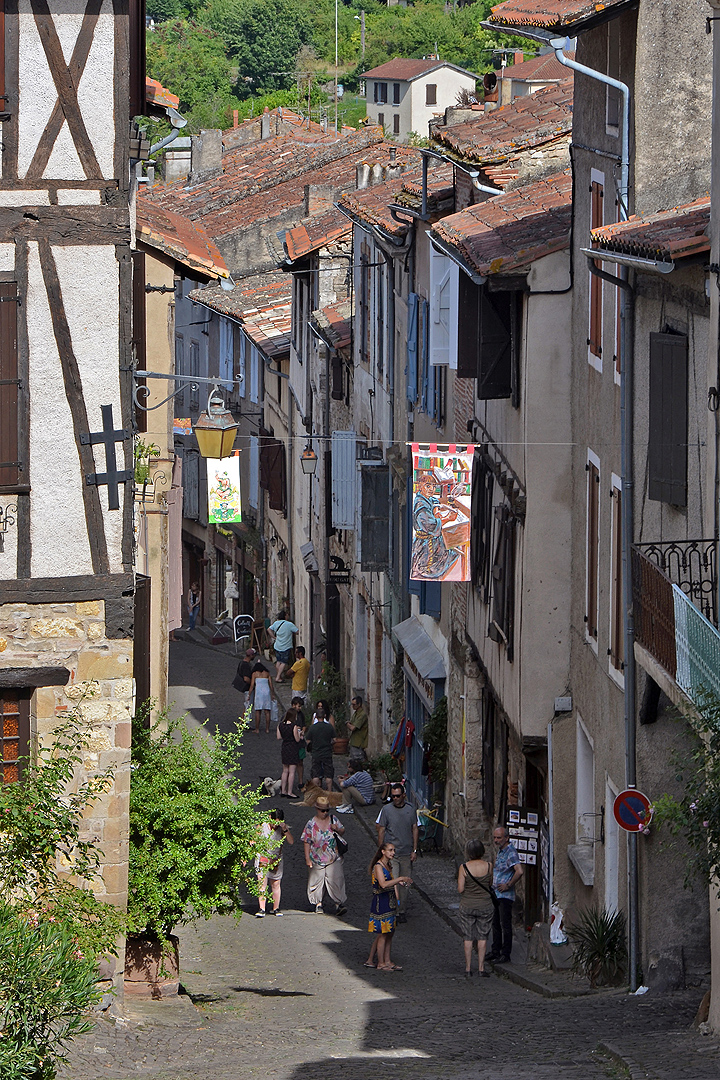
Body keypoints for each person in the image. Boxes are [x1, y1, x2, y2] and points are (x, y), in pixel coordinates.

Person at [376, 783, 419, 923]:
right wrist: (381, 852)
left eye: (397, 796)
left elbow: (415, 829)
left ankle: (402, 910)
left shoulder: (411, 810)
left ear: (403, 796)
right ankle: (393, 909)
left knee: (405, 883)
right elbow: (381, 829)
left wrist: (415, 850)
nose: (395, 798)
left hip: (406, 853)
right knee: (393, 882)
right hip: (391, 854)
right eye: (393, 796)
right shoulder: (386, 810)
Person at [300, 793, 347, 916]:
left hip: (334, 856)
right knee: (317, 881)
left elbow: (343, 830)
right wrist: (307, 859)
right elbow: (306, 841)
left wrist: (336, 828)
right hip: (317, 858)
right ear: (317, 809)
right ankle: (318, 904)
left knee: (336, 879)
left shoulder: (333, 819)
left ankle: (338, 904)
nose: (325, 813)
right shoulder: (311, 824)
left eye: (327, 810)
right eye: (322, 810)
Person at [368, 842, 411, 972]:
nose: (393, 852)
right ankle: (381, 962)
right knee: (382, 933)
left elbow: (391, 883)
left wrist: (397, 893)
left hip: (390, 901)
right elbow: (383, 884)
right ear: (383, 851)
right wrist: (400, 879)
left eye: (394, 850)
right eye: (390, 850)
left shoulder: (388, 865)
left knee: (389, 932)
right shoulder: (378, 867)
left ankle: (387, 960)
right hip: (381, 902)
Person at [410, 472, 461, 580]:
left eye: (433, 486)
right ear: (420, 486)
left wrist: (439, 509)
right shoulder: (421, 506)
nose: (431, 489)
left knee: (455, 547)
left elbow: (435, 503)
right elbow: (431, 526)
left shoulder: (427, 498)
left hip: (433, 542)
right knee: (453, 553)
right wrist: (448, 518)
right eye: (428, 486)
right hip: (425, 547)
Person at [457, 839, 495, 978]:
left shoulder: (464, 867)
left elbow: (460, 889)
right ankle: (481, 968)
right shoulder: (489, 866)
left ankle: (468, 969)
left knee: (468, 937)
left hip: (467, 905)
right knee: (482, 937)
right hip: (485, 905)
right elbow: (490, 883)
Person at [486, 825, 523, 964]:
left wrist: (508, 885)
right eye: (495, 837)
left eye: (499, 838)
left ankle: (505, 954)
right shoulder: (501, 851)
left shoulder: (510, 852)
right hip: (496, 893)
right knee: (495, 923)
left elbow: (519, 871)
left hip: (505, 896)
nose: (496, 840)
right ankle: (496, 950)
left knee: (505, 924)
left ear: (506, 838)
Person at [255, 809, 293, 917]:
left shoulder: (281, 828)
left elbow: (291, 841)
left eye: (278, 823)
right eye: (274, 822)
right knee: (262, 882)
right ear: (270, 818)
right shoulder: (263, 825)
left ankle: (275, 908)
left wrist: (285, 829)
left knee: (276, 883)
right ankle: (262, 908)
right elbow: (253, 838)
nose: (275, 825)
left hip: (276, 858)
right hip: (263, 857)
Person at [306, 709, 335, 791]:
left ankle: (316, 792)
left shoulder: (312, 728)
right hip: (327, 753)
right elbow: (335, 739)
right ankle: (329, 792)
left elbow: (308, 740)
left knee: (315, 774)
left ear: (315, 716)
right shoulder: (329, 727)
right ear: (325, 716)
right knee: (328, 774)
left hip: (316, 753)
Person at [277, 708, 302, 798]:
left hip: (285, 747)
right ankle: (289, 792)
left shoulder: (280, 725)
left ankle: (283, 790)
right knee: (292, 771)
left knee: (285, 770)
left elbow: (278, 737)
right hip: (293, 748)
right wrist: (300, 734)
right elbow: (297, 739)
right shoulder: (294, 726)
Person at [268, 610, 299, 681]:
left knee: (278, 661)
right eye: (287, 615)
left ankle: (279, 676)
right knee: (284, 662)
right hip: (286, 646)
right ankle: (278, 677)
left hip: (277, 645)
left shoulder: (276, 623)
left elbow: (269, 629)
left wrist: (273, 637)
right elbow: (297, 631)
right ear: (285, 616)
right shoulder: (289, 624)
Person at [249, 661, 275, 734]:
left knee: (258, 711)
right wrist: (272, 694)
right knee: (267, 711)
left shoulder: (254, 674)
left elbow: (252, 685)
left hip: (259, 694)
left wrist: (249, 694)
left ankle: (257, 729)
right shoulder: (267, 673)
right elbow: (271, 685)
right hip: (266, 693)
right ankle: (267, 729)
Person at [233, 647, 256, 715]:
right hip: (247, 688)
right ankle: (246, 722)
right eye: (254, 655)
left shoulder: (242, 662)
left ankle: (242, 720)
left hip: (245, 688)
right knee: (248, 705)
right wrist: (253, 684)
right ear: (251, 655)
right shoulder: (246, 665)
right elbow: (246, 678)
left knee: (247, 704)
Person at [347, 695, 369, 763]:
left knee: (358, 760)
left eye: (354, 704)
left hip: (359, 742)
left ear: (359, 704)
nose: (352, 706)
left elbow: (353, 727)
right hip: (354, 741)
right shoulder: (356, 713)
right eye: (352, 704)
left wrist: (347, 724)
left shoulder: (362, 715)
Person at [292, 696, 308, 785]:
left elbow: (304, 725)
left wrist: (303, 730)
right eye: (299, 706)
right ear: (293, 705)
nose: (300, 708)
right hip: (293, 742)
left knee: (300, 762)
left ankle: (300, 781)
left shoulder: (301, 714)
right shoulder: (289, 714)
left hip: (300, 742)